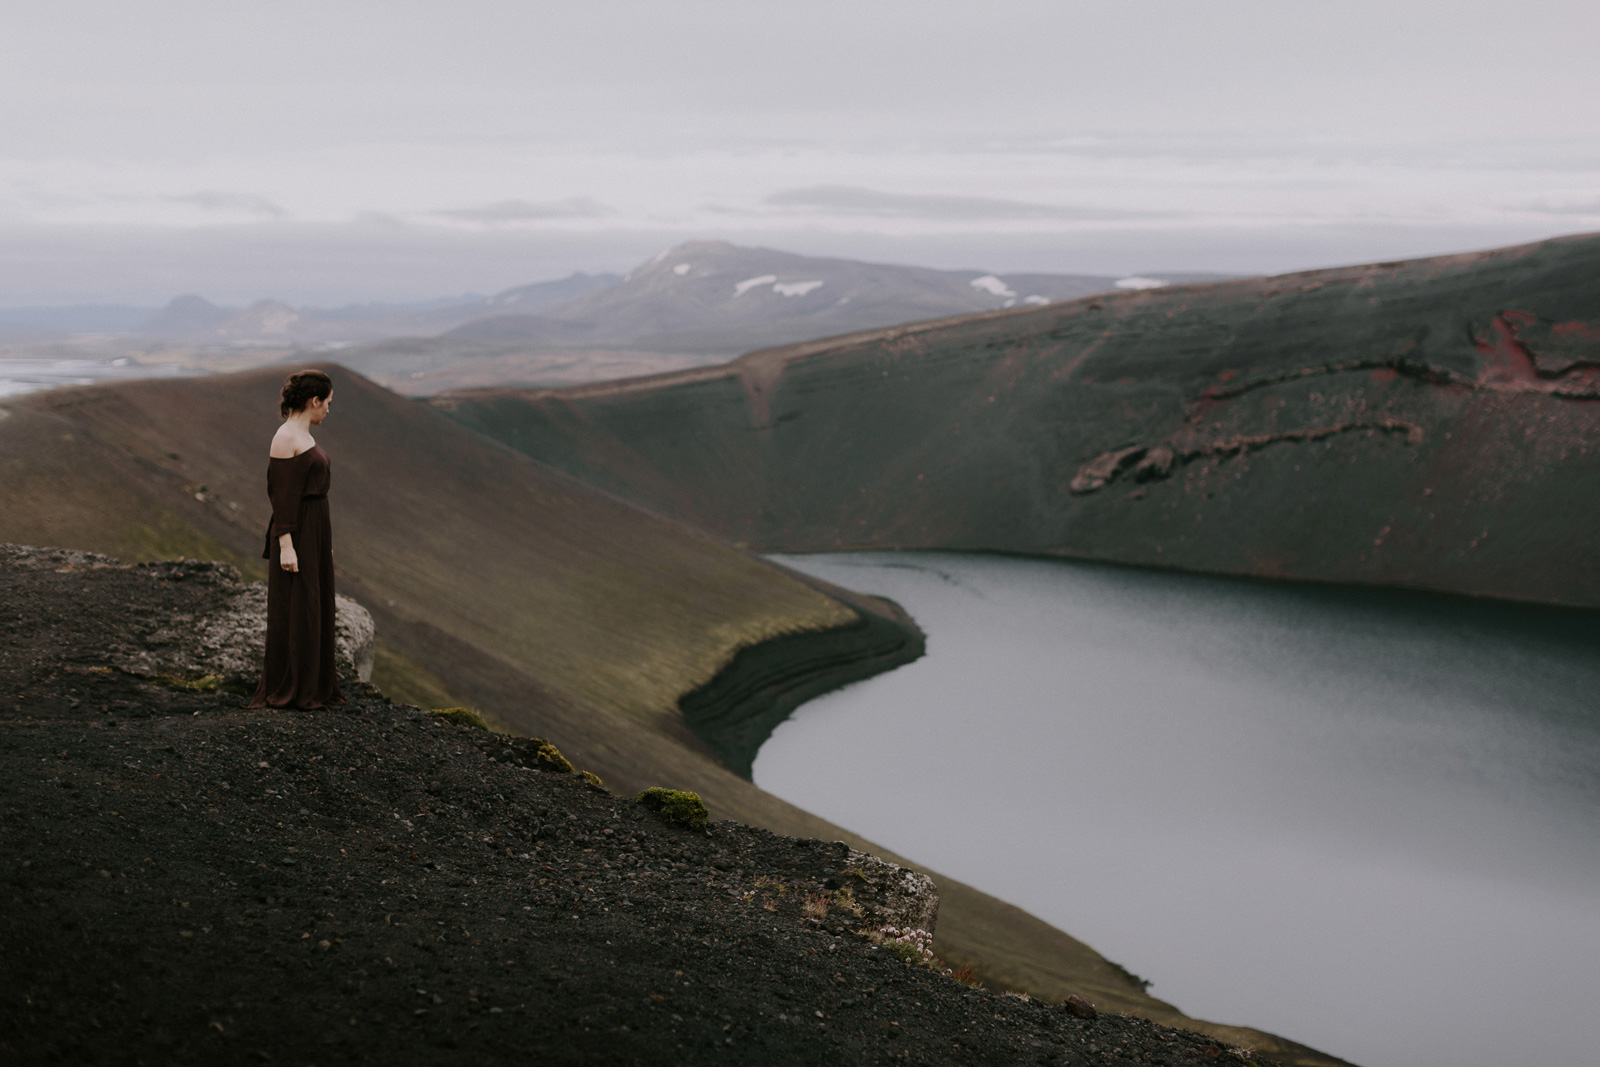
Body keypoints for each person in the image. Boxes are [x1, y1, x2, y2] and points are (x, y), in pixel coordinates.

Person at [250, 370, 344, 709]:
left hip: (314, 529)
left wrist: (322, 541)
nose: (328, 411)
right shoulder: (285, 437)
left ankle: (314, 684)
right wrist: (286, 545)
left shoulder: (301, 434)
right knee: (298, 607)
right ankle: (293, 687)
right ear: (313, 401)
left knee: (314, 606)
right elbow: (281, 495)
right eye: (327, 403)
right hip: (298, 530)